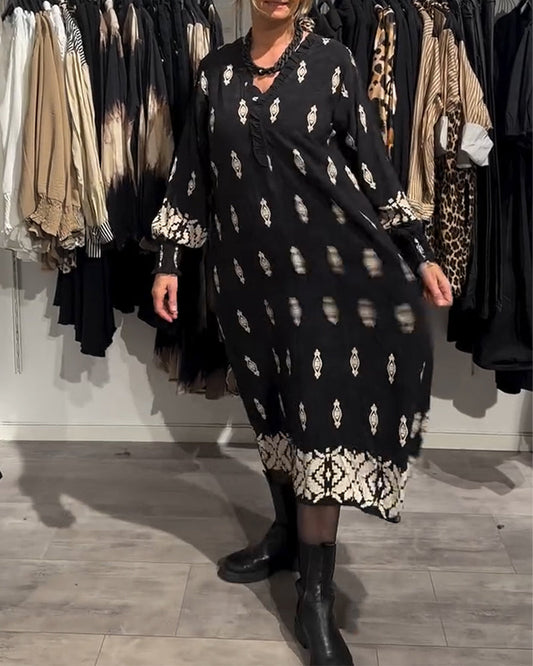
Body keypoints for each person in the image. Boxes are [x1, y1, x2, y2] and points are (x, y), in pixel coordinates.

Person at [151, 0, 453, 663]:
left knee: (317, 420)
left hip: (327, 276)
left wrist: (420, 252)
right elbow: (192, 170)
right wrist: (170, 260)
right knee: (272, 411)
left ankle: (314, 596)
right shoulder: (214, 73)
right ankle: (285, 538)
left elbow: (373, 164)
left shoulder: (333, 64)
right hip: (245, 281)